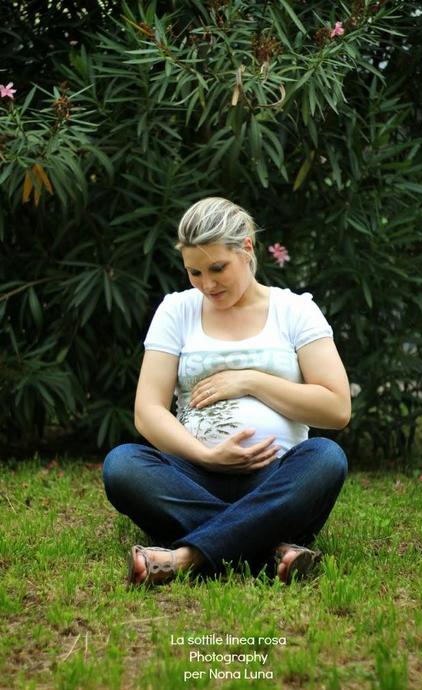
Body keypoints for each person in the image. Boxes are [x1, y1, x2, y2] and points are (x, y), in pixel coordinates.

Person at [102, 197, 351, 587]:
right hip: (193, 476)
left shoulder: (295, 311)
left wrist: (252, 380)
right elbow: (147, 412)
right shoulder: (176, 311)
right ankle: (269, 546)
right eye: (194, 272)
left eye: (218, 268)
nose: (207, 285)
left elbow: (336, 408)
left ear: (247, 247)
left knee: (326, 458)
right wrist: (207, 456)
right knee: (122, 465)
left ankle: (186, 556)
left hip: (275, 477)